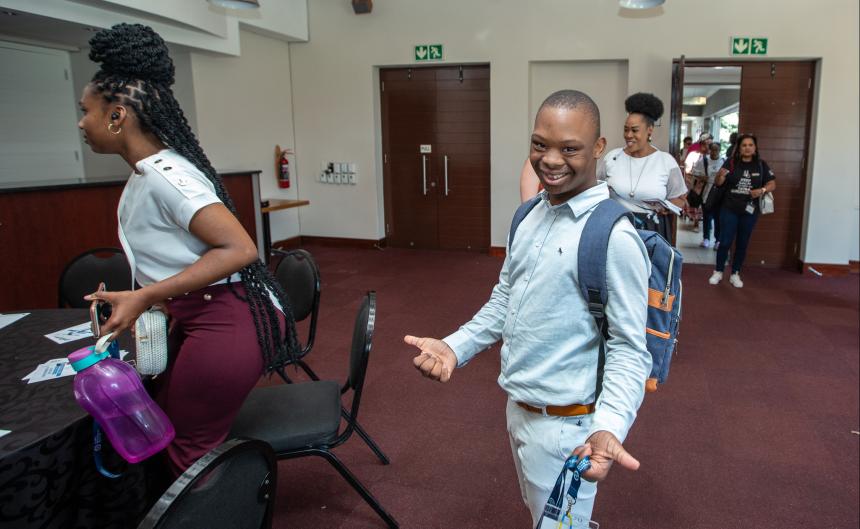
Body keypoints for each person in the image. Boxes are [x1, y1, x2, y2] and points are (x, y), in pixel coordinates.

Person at [406, 90, 651, 526]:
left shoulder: (613, 237)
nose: (551, 160)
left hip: (569, 429)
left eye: (570, 148)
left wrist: (609, 427)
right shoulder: (528, 215)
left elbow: (631, 348)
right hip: (519, 408)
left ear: (598, 147)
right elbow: (505, 300)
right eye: (540, 144)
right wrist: (455, 347)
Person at [77, 24, 301, 477]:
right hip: (205, 312)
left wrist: (143, 295)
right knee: (160, 418)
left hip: (228, 319)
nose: (81, 122)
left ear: (117, 116)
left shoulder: (164, 175)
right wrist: (152, 296)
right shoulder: (150, 170)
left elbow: (239, 248)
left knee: (185, 450)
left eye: (86, 111)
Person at [597, 92, 687, 242]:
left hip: (651, 231)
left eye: (634, 130)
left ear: (650, 129)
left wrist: (667, 207)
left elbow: (680, 199)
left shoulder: (666, 162)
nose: (628, 135)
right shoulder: (612, 158)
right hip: (616, 228)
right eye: (626, 129)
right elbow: (597, 189)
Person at [708, 133, 775, 288]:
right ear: (739, 148)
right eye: (744, 145)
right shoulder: (731, 163)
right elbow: (718, 183)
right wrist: (720, 176)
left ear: (755, 147)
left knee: (742, 243)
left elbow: (772, 184)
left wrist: (762, 190)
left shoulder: (760, 165)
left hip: (750, 211)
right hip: (729, 208)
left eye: (750, 145)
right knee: (724, 241)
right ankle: (718, 271)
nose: (747, 148)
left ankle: (735, 273)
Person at [692, 142, 724, 248]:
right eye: (713, 150)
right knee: (707, 216)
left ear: (720, 150)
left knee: (719, 218)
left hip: (719, 193)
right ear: (709, 150)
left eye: (717, 150)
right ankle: (706, 238)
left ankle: (718, 240)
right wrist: (702, 177)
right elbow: (694, 172)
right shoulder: (704, 161)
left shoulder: (724, 161)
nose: (715, 152)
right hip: (706, 192)